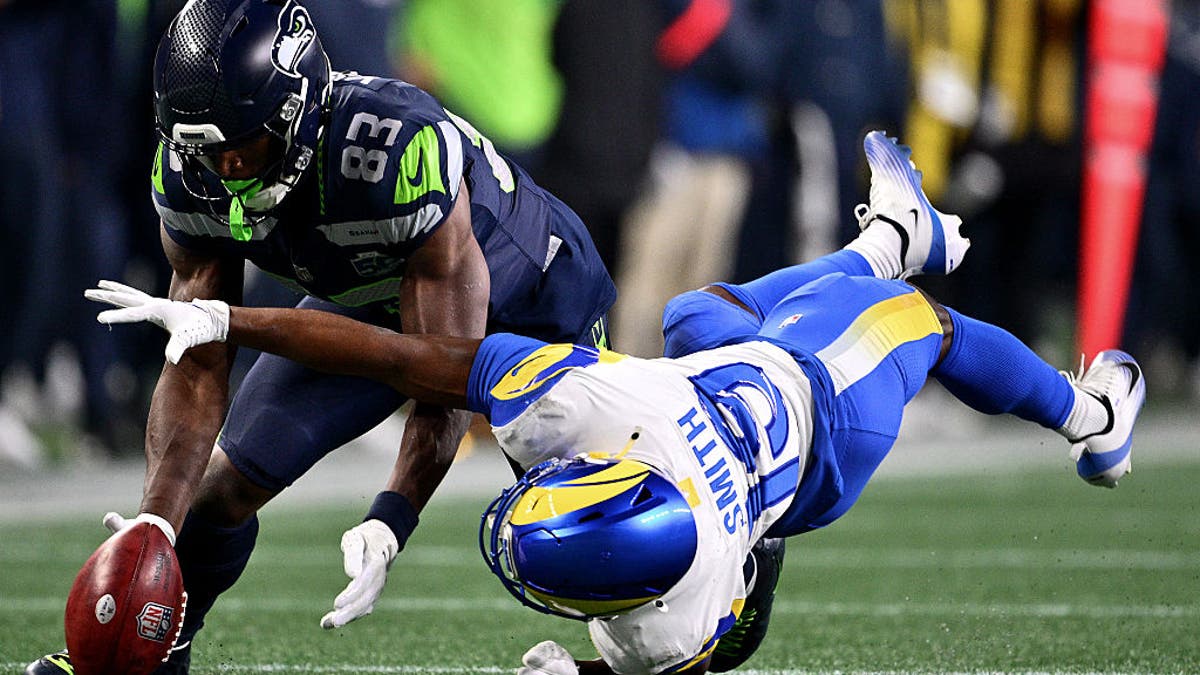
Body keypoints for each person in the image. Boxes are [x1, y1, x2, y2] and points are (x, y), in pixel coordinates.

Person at [84, 132, 1144, 674]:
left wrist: (238, 320)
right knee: (888, 322)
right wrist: (231, 325)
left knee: (735, 317)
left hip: (761, 413)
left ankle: (922, 270)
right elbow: (397, 355)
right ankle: (1078, 406)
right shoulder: (625, 466)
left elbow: (398, 358)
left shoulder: (590, 413)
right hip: (825, 430)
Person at [26, 1, 616, 673]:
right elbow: (195, 362)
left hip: (533, 300)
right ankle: (155, 654)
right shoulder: (193, 167)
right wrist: (155, 523)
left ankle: (671, 639)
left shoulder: (393, 151)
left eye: (242, 147)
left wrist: (392, 517)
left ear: (294, 112)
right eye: (206, 153)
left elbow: (446, 372)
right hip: (376, 300)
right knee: (216, 494)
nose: (227, 173)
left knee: (579, 531)